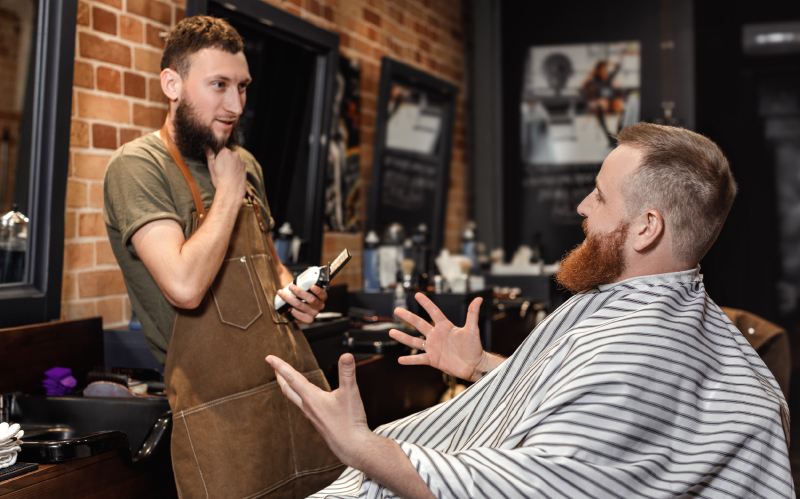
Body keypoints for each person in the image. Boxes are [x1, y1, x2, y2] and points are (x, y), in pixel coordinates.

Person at [266, 122, 794, 498]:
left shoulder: (640, 352)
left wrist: (356, 443)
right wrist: (482, 368)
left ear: (647, 227)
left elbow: (508, 488)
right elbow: (589, 402)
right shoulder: (665, 322)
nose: (583, 208)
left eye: (600, 196)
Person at [103, 16, 343, 498]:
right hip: (218, 412)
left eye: (242, 87)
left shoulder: (245, 163)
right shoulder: (137, 167)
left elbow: (268, 267)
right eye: (219, 85)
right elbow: (185, 286)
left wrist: (297, 294)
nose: (235, 105)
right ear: (172, 83)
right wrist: (228, 193)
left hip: (290, 391)